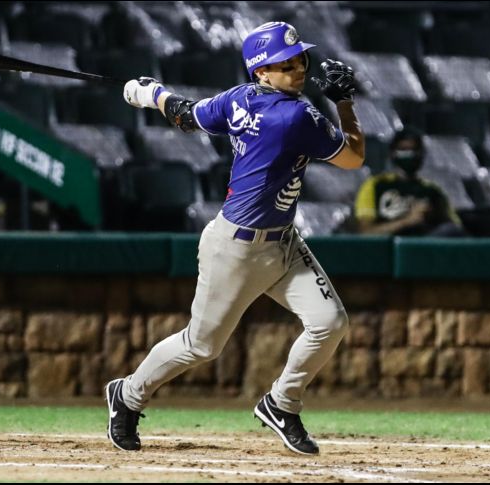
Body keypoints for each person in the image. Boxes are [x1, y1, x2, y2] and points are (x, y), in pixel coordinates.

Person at [105, 21, 365, 456]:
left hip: (283, 243)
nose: (299, 68)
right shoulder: (296, 116)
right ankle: (128, 394)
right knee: (201, 345)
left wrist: (152, 94)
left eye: (299, 59)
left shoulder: (237, 97)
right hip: (236, 250)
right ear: (261, 71)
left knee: (329, 323)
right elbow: (354, 158)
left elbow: (186, 115)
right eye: (286, 64)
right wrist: (343, 102)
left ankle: (282, 403)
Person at [354, 127, 466, 237]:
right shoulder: (375, 185)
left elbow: (455, 227)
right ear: (393, 153)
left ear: (422, 154)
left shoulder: (432, 190)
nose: (409, 154)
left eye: (414, 150)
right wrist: (408, 221)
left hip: (425, 243)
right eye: (403, 150)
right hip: (389, 245)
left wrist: (435, 215)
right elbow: (366, 233)